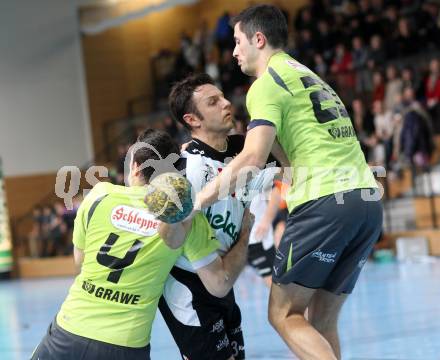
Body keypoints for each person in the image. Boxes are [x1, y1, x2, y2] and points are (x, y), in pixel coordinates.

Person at [193, 5, 382, 360]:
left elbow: (250, 157)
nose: (233, 52)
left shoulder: (265, 84)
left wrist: (197, 201)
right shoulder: (309, 76)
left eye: (237, 42)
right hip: (367, 202)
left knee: (282, 314)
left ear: (258, 39)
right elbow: (293, 156)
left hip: (325, 202)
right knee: (321, 322)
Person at [31, 129, 252, 360]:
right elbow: (219, 284)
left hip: (68, 331)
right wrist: (245, 235)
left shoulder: (99, 195)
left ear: (135, 166)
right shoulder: (183, 219)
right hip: (125, 346)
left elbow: (80, 264)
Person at [160, 74, 279, 360]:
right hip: (187, 284)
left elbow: (295, 162)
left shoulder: (248, 152)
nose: (227, 103)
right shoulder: (182, 167)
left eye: (224, 96)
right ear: (192, 119)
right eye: (213, 102)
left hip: (225, 275)